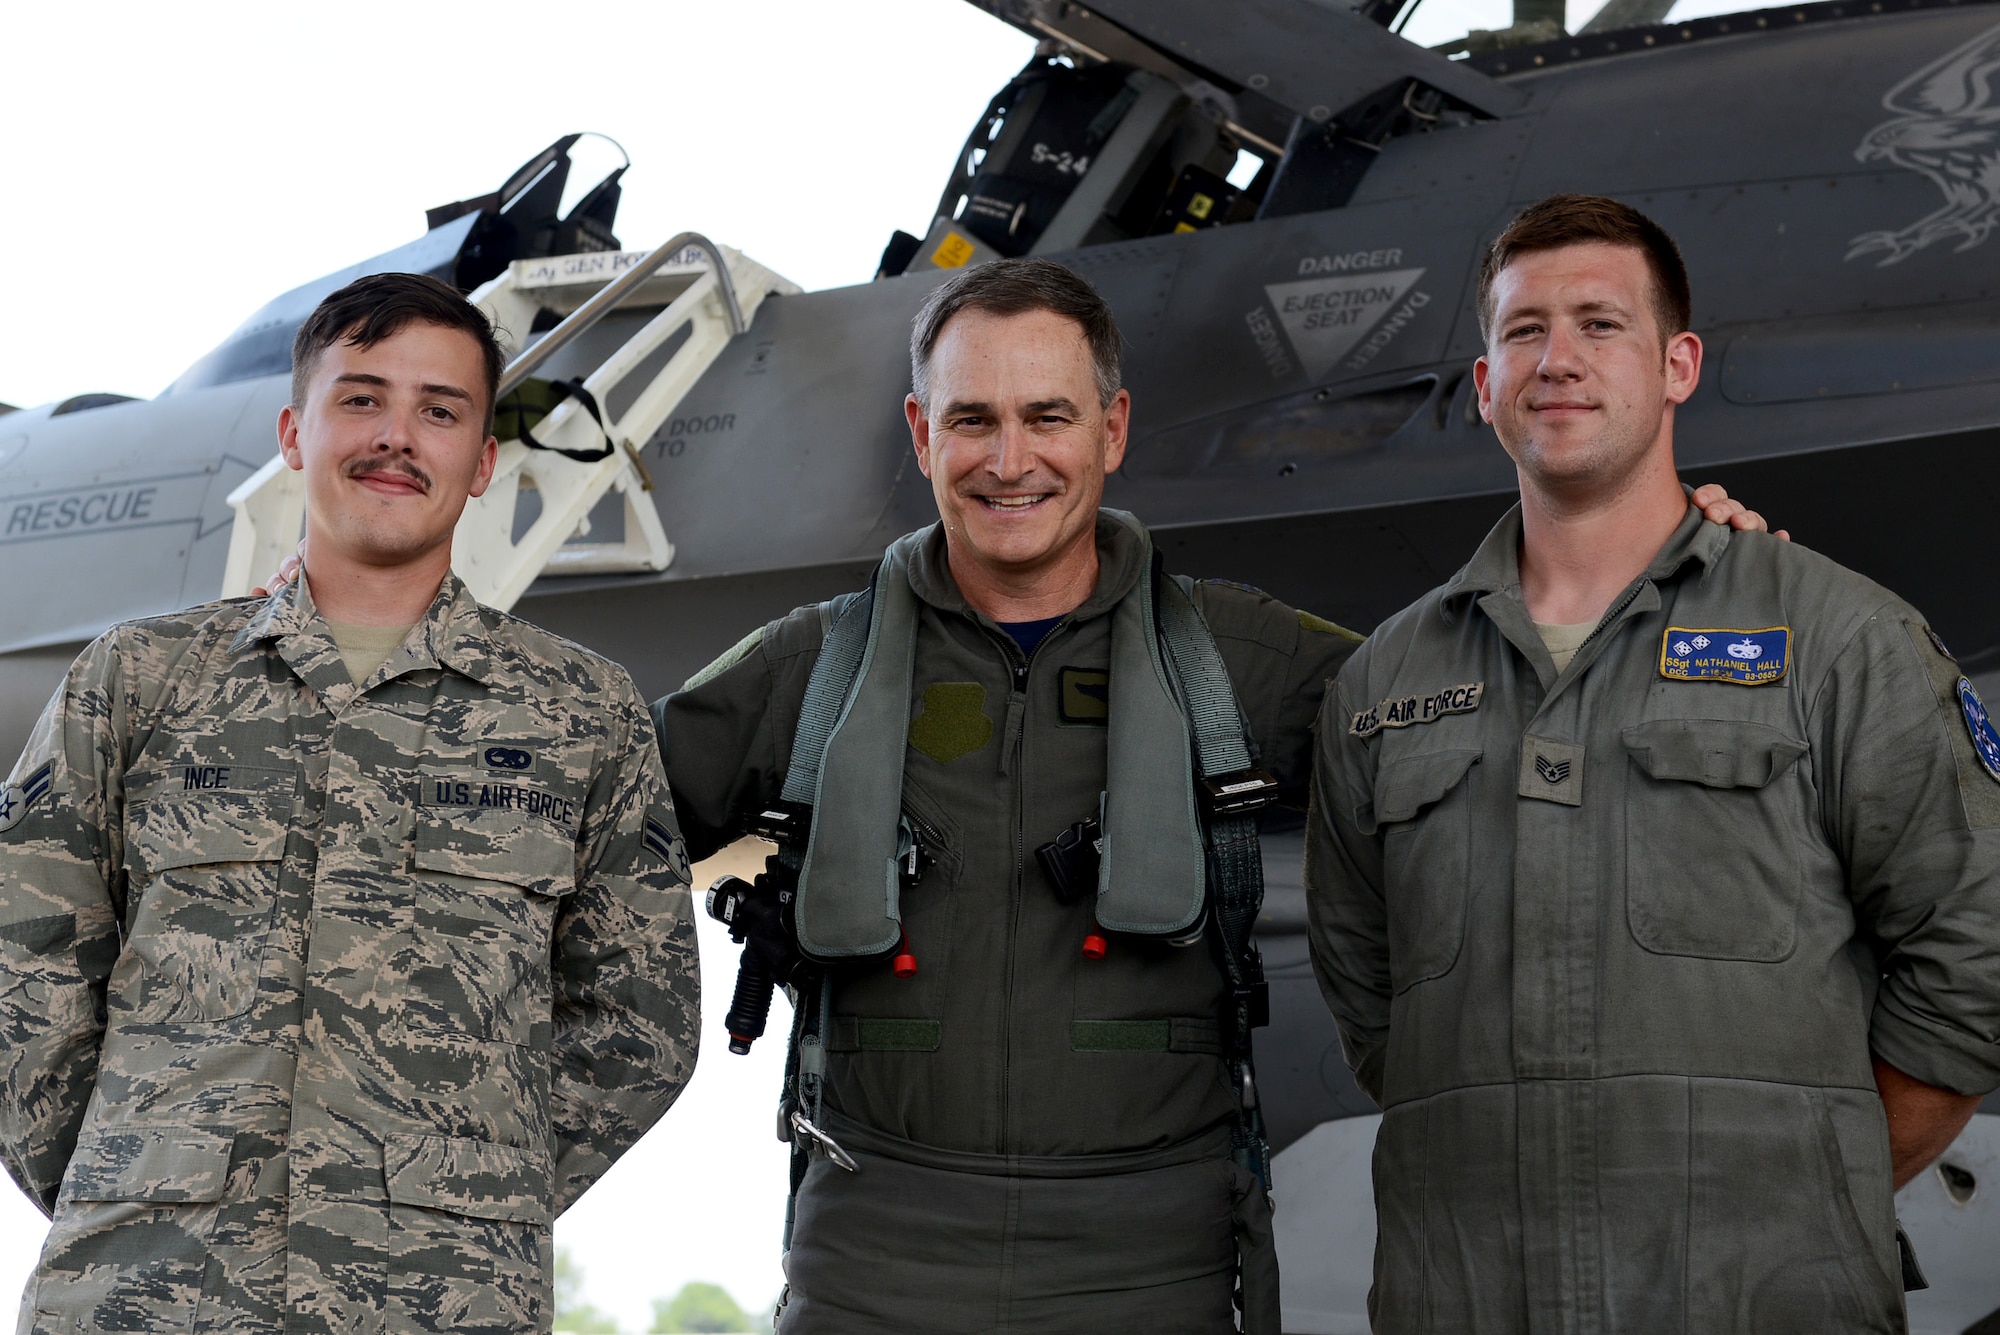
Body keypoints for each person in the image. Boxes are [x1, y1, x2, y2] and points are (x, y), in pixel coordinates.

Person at [654, 256, 1771, 1334]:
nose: (1009, 461)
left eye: (1047, 417)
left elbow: (1521, 720)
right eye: (971, 420)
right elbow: (582, 831)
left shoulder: (1238, 658)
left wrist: (1668, 565)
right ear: (920, 433)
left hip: (1151, 1259)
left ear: (1112, 429)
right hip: (876, 1253)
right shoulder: (809, 671)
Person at [1306, 194, 2000, 1334]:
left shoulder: (1834, 638)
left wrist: (1805, 1189)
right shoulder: (1379, 687)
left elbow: (1975, 956)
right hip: (1465, 1300)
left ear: (1677, 365)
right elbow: (1378, 1011)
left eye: (1599, 324)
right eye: (1521, 332)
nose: (1557, 360)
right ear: (1482, 387)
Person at [0, 273, 700, 1334]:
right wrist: (129, 1172)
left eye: (439, 410)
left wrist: (460, 1197)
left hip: (439, 1300)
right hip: (141, 1291)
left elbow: (641, 1021)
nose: (396, 438)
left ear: (481, 464)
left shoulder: (581, 712)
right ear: (294, 432)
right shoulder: (136, 682)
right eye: (361, 399)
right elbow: (22, 964)